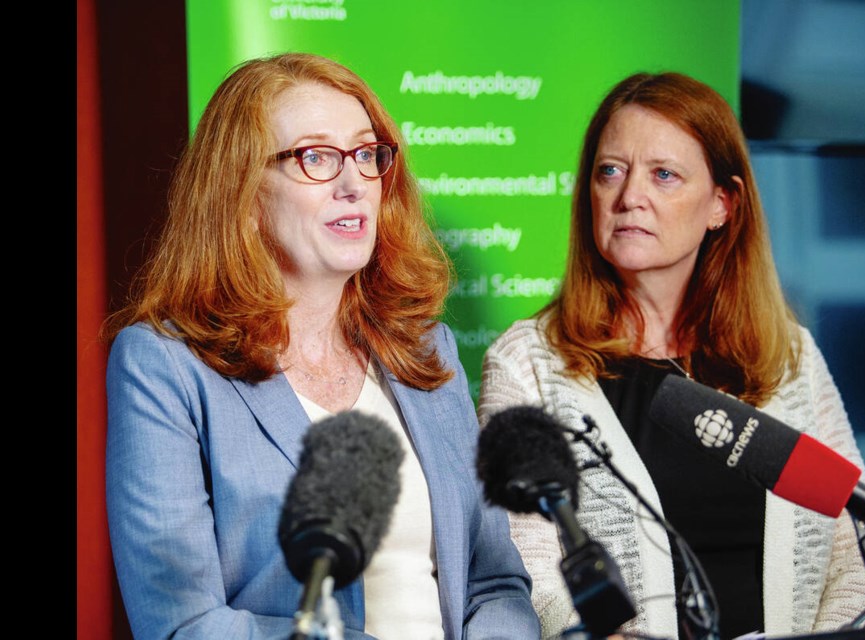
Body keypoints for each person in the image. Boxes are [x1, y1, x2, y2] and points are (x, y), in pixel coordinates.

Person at [103, 52, 540, 640]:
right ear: (242, 195)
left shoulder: (424, 348)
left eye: (366, 154)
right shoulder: (163, 366)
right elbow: (182, 624)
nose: (355, 182)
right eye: (315, 157)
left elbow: (495, 584)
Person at [477, 72, 865, 639]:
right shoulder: (527, 364)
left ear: (721, 204)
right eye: (610, 171)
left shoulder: (789, 355)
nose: (629, 196)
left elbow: (857, 549)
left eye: (663, 175)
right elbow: (525, 568)